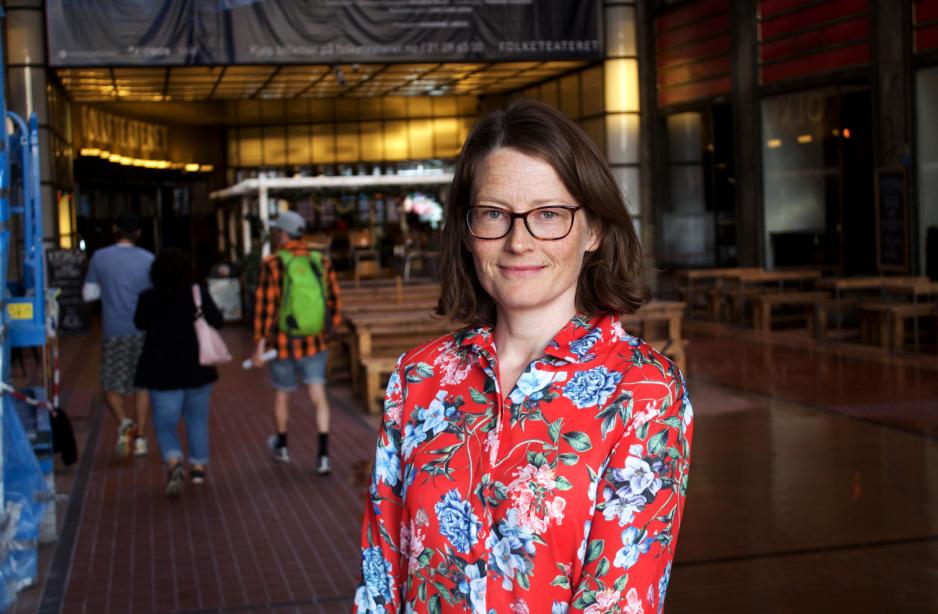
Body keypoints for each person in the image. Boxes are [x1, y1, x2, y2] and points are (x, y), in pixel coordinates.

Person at [355, 99, 694, 613]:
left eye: (548, 214)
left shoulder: (645, 392)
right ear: (468, 231)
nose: (518, 241)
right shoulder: (419, 376)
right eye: (494, 214)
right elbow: (381, 577)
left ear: (594, 230)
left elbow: (618, 601)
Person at [252, 210, 341, 474]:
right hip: (315, 341)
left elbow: (266, 308)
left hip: (283, 343)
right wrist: (326, 333)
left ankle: (282, 446)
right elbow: (334, 303)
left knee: (282, 394)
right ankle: (323, 456)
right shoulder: (321, 261)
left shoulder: (273, 263)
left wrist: (259, 346)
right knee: (318, 395)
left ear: (283, 234)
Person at [134, 248, 223, 498]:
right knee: (197, 419)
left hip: (161, 372)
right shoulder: (197, 294)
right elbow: (217, 320)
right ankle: (198, 467)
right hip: (197, 368)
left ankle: (174, 461)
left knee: (165, 422)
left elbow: (139, 323)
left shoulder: (148, 297)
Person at [82, 209, 154, 458]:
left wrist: (109, 288)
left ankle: (124, 422)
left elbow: (88, 295)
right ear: (138, 233)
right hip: (143, 331)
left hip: (113, 331)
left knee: (110, 384)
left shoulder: (100, 258)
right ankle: (141, 438)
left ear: (115, 229)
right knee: (143, 385)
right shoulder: (148, 259)